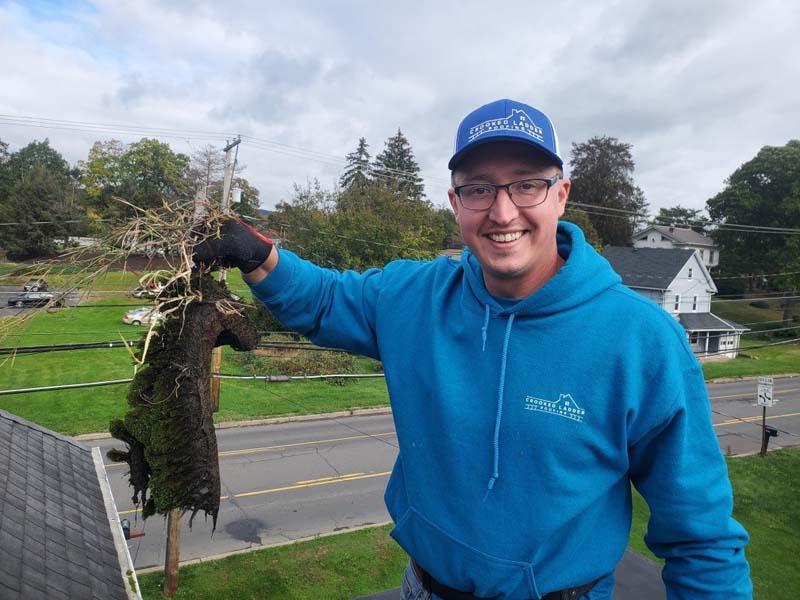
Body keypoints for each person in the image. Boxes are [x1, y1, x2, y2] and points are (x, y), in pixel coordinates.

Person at [195, 99, 752, 599]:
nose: (503, 212)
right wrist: (256, 252)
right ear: (455, 202)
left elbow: (702, 535)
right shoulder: (412, 296)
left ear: (561, 194)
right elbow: (324, 300)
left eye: (527, 184)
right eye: (479, 188)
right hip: (423, 587)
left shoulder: (640, 339)